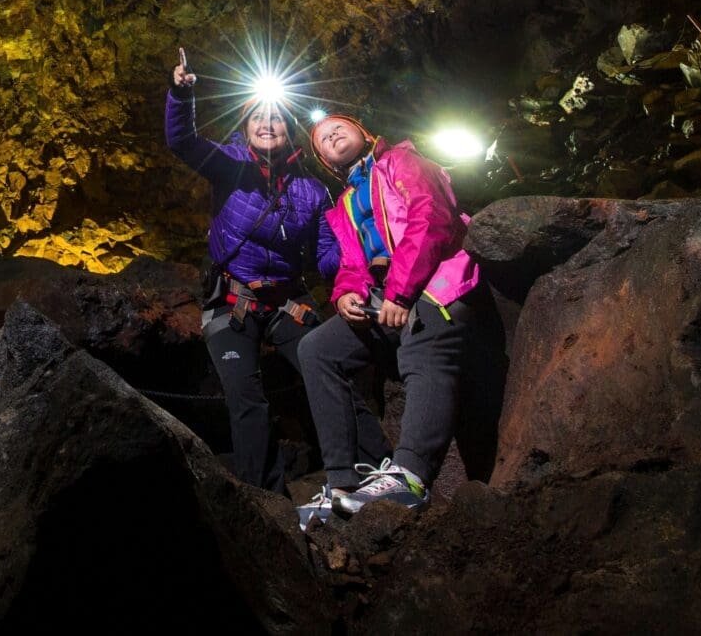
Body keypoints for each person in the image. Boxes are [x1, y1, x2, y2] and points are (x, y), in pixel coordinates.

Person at [165, 51, 389, 492]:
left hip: (288, 300)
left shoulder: (312, 190)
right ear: (246, 128)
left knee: (330, 374)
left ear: (291, 133)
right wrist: (181, 93)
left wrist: (360, 270)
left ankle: (380, 472)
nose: (268, 124)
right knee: (246, 401)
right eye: (258, 118)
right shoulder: (229, 165)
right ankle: (265, 501)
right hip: (232, 299)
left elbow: (328, 256)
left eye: (277, 119)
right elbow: (183, 142)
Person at [294, 112, 481, 528]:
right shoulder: (343, 205)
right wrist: (345, 295)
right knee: (317, 350)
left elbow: (430, 216)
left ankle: (410, 476)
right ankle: (342, 483)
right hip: (385, 297)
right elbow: (350, 263)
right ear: (325, 160)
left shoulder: (402, 161)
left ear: (364, 132)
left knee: (420, 335)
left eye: (338, 126)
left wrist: (400, 291)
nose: (332, 133)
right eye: (322, 138)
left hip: (438, 278)